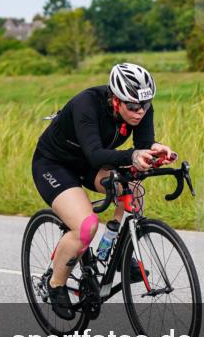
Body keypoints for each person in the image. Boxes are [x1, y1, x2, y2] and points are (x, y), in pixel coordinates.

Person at [31, 63, 174, 320]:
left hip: (89, 164)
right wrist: (133, 154)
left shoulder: (141, 107)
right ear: (116, 100)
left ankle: (113, 250)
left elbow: (141, 144)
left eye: (146, 104)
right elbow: (96, 154)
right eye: (132, 106)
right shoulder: (87, 104)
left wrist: (154, 150)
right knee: (85, 226)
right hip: (54, 164)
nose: (140, 111)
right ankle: (56, 285)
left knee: (133, 188)